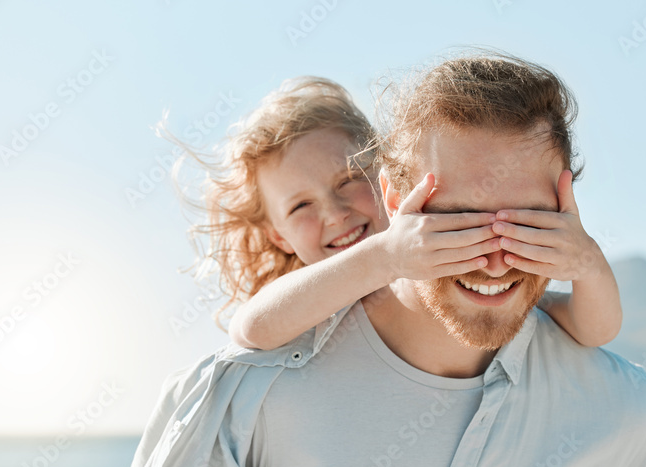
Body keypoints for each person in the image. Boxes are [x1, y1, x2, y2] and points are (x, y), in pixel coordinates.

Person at [81, 52, 646, 467]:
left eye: (524, 222)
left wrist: (583, 261)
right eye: (459, 221)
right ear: (400, 203)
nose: (492, 259)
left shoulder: (615, 405)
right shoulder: (258, 388)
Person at [179, 76, 622, 353]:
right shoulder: (310, 302)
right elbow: (252, 328)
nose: (335, 213)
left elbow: (593, 328)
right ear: (278, 237)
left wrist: (586, 262)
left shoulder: (448, 275)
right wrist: (386, 256)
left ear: (391, 184)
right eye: (300, 206)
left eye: (349, 179)